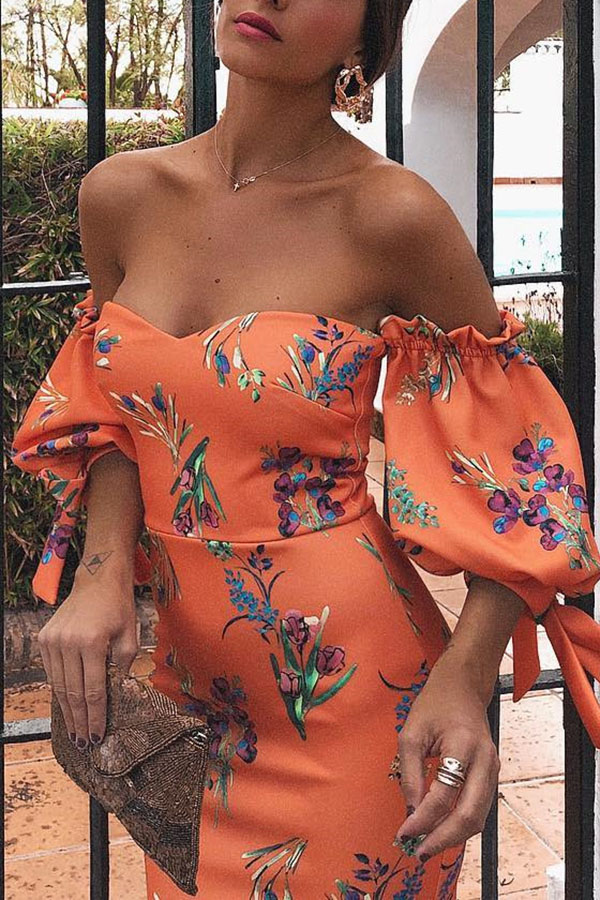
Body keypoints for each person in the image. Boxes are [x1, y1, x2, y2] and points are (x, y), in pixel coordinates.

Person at [10, 1, 600, 897]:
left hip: (360, 717)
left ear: (368, 35)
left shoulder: (391, 214)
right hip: (184, 705)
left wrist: (463, 675)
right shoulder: (119, 196)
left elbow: (523, 475)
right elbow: (116, 410)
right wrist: (100, 572)